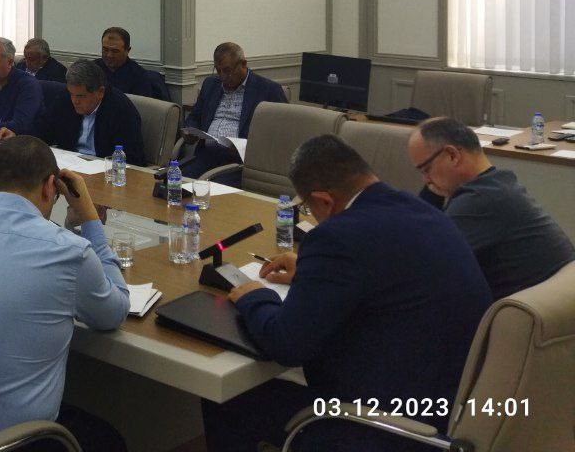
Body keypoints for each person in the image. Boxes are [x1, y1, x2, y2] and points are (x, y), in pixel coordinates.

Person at [208, 135, 492, 452]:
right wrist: (314, 273)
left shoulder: (336, 237)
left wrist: (254, 296)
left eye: (308, 207)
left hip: (386, 425)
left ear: (324, 201)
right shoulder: (422, 210)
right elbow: (386, 272)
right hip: (453, 407)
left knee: (225, 399)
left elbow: (286, 344)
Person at [0, 135, 130, 451]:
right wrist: (90, 218)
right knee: (110, 441)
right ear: (50, 187)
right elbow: (113, 313)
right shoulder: (70, 252)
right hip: (17, 443)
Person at [409, 117, 574, 299]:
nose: (426, 180)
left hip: (525, 311)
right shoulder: (496, 185)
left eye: (426, 169)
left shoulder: (478, 202)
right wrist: (434, 191)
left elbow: (417, 261)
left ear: (452, 155)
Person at [179, 41, 287, 179]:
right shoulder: (210, 84)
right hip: (206, 156)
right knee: (173, 182)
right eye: (218, 70)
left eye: (227, 70)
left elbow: (279, 135)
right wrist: (189, 130)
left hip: (239, 163)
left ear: (243, 64)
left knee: (214, 188)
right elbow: (195, 116)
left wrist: (243, 147)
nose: (222, 77)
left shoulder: (267, 90)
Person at [27, 60, 146, 164]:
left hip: (104, 168)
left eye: (81, 96)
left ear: (100, 92)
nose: (74, 101)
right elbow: (44, 132)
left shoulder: (121, 110)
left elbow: (132, 158)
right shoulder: (65, 98)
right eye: (71, 94)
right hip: (70, 163)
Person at [96, 27, 169, 101]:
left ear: (127, 50)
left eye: (115, 51)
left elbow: (140, 106)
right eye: (105, 49)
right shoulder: (93, 68)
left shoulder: (139, 77)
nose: (109, 55)